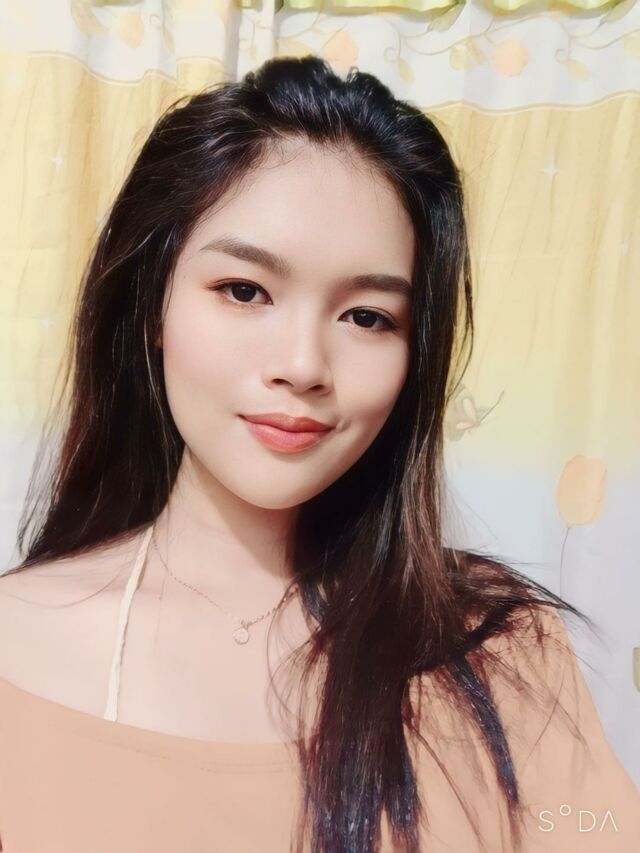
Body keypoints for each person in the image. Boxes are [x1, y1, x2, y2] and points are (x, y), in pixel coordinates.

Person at [0, 55, 637, 853]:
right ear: (152, 305)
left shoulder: (500, 653)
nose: (303, 365)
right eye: (244, 290)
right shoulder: (16, 640)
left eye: (367, 316)